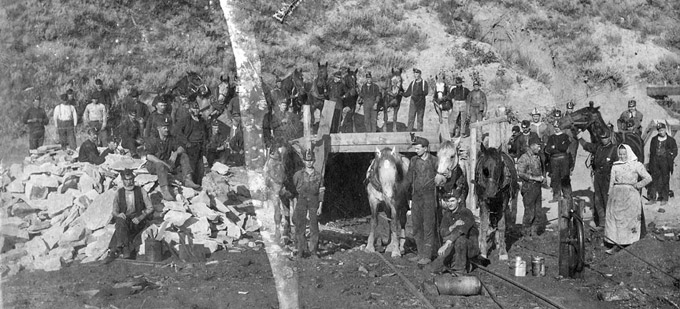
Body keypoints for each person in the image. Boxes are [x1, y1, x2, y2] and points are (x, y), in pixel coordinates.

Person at [604, 144, 652, 254]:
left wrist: (638, 185)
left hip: (630, 195)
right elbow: (611, 182)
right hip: (616, 194)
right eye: (620, 154)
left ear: (628, 153)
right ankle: (616, 243)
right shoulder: (615, 166)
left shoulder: (636, 165)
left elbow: (648, 178)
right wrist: (610, 194)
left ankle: (629, 243)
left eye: (624, 154)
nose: (622, 156)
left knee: (628, 219)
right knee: (615, 219)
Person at [103, 169, 155, 263]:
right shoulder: (119, 192)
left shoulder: (141, 191)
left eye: (131, 179)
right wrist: (119, 214)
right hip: (125, 220)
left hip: (138, 221)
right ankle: (126, 249)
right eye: (126, 180)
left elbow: (150, 208)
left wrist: (141, 217)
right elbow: (114, 211)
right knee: (120, 221)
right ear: (123, 180)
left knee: (119, 227)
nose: (129, 181)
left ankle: (113, 251)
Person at [145, 116, 200, 201]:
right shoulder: (153, 139)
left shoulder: (170, 138)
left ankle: (188, 179)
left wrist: (175, 153)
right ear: (158, 128)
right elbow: (149, 156)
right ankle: (165, 190)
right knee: (160, 165)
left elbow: (181, 147)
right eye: (164, 128)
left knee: (183, 156)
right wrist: (164, 163)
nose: (167, 129)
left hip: (167, 163)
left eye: (167, 127)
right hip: (154, 165)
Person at [405, 136, 438, 265]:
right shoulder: (413, 160)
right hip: (416, 197)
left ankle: (427, 255)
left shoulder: (434, 161)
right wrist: (405, 192)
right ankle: (420, 253)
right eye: (415, 148)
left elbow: (440, 177)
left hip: (429, 197)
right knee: (416, 226)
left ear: (425, 148)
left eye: (418, 148)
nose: (416, 151)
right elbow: (409, 178)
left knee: (428, 226)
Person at [577, 130, 618, 229]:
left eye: (606, 138)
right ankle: (602, 223)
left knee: (608, 200)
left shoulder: (614, 149)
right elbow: (587, 146)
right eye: (602, 138)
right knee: (598, 200)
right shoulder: (598, 147)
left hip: (609, 178)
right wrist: (580, 138)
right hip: (598, 177)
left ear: (609, 138)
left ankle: (611, 224)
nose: (604, 140)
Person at [293, 148, 325, 258]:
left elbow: (321, 191)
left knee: (314, 227)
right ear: (304, 161)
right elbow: (293, 190)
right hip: (301, 201)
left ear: (314, 161)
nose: (309, 162)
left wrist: (320, 207)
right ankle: (301, 250)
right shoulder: (298, 175)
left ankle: (313, 251)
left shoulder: (318, 175)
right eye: (307, 160)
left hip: (314, 201)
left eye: (311, 160)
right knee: (300, 226)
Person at [174, 101, 209, 186]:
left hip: (200, 147)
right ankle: (189, 184)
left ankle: (198, 186)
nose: (196, 110)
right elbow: (177, 132)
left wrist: (204, 149)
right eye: (194, 108)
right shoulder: (185, 120)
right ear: (190, 109)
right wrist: (186, 142)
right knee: (191, 167)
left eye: (197, 108)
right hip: (190, 146)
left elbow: (206, 135)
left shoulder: (202, 121)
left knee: (200, 169)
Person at [517, 135, 545, 238]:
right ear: (532, 146)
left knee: (538, 212)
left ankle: (534, 232)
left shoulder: (537, 157)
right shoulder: (524, 158)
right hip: (528, 188)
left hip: (537, 188)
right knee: (529, 212)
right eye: (538, 146)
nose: (539, 148)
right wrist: (534, 178)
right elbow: (520, 173)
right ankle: (525, 233)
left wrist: (542, 179)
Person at [647, 122, 677, 206]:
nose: (661, 132)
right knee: (654, 179)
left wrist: (671, 156)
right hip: (655, 161)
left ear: (665, 130)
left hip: (665, 162)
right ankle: (652, 198)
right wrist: (651, 163)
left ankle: (664, 198)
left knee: (665, 180)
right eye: (659, 130)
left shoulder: (671, 140)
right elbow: (652, 152)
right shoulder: (654, 139)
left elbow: (675, 150)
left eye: (662, 130)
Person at [544, 120, 572, 203]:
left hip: (564, 159)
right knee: (555, 178)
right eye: (555, 127)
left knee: (565, 177)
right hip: (554, 160)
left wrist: (554, 147)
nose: (557, 129)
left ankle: (567, 195)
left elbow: (564, 148)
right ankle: (556, 196)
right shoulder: (551, 137)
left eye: (559, 127)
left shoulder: (565, 136)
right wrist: (556, 148)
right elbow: (548, 149)